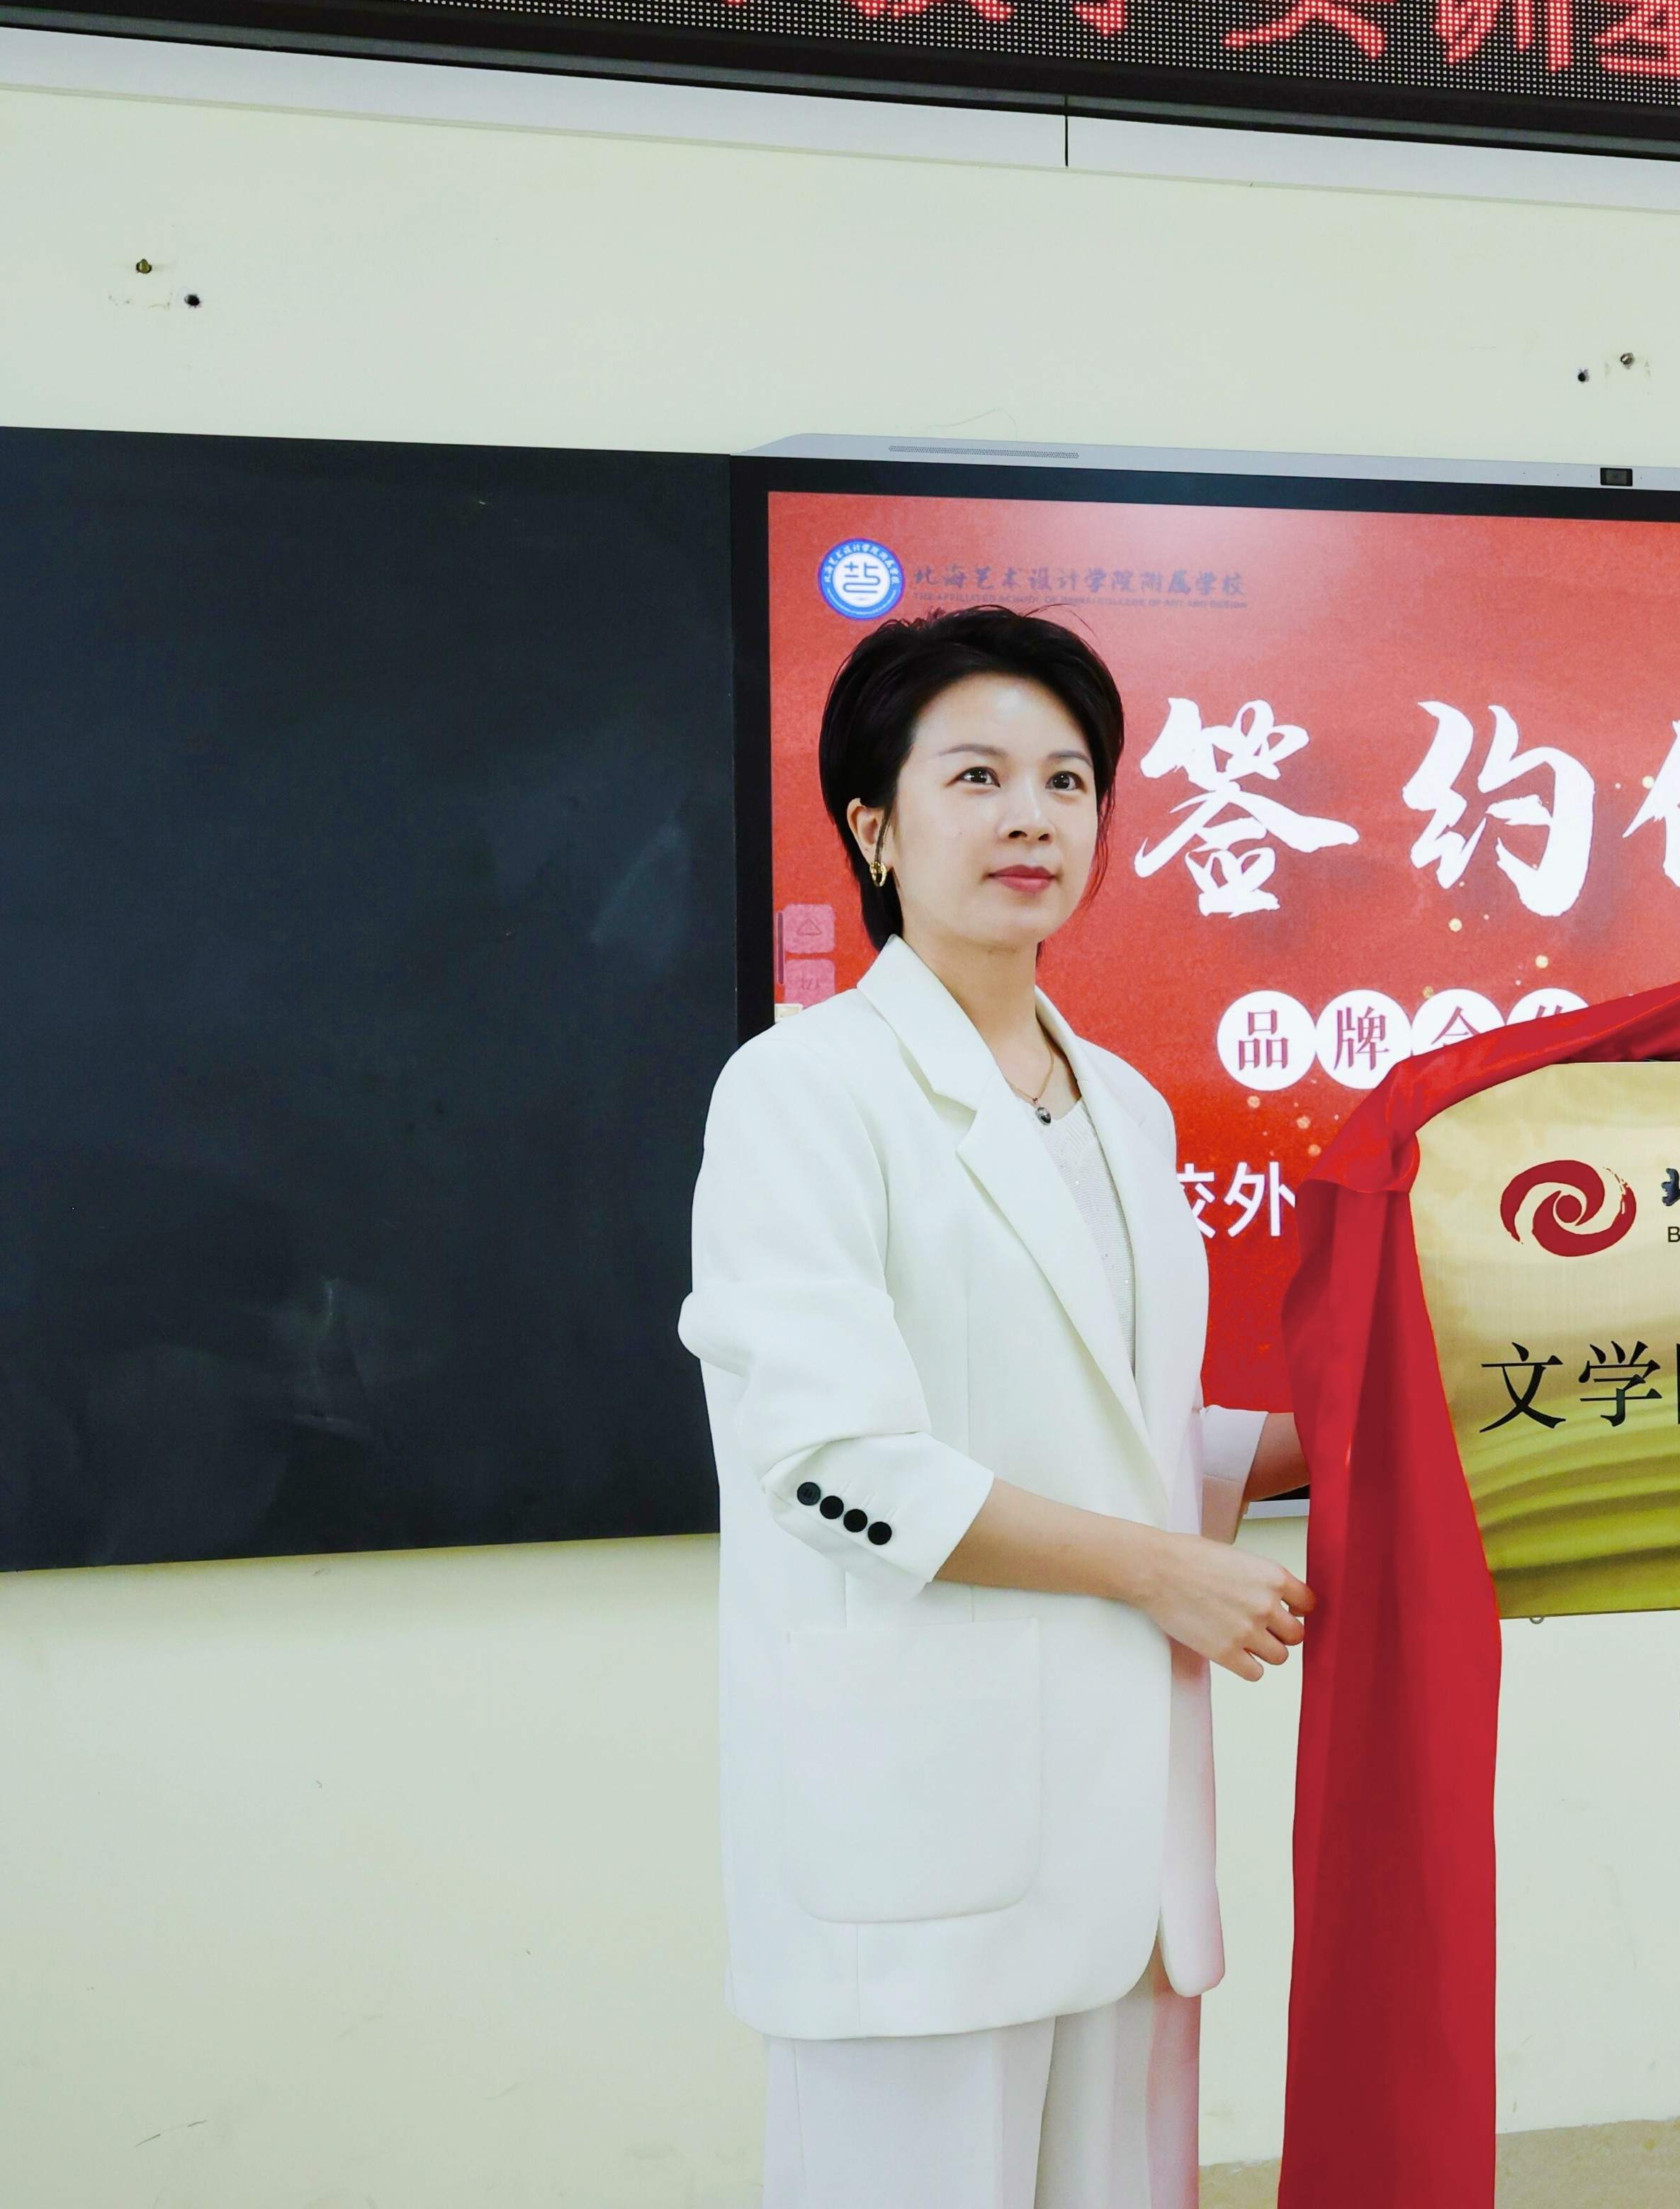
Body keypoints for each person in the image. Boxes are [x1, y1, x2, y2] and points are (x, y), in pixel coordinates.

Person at [680, 606, 1312, 2209]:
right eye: (976, 777)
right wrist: (1162, 1571)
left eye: (1067, 780)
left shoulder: (1128, 1107)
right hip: (920, 1821)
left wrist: (1349, 1441)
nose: (1031, 816)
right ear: (874, 827)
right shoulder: (801, 1089)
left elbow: (1126, 1435)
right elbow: (834, 1468)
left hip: (1126, 1833)